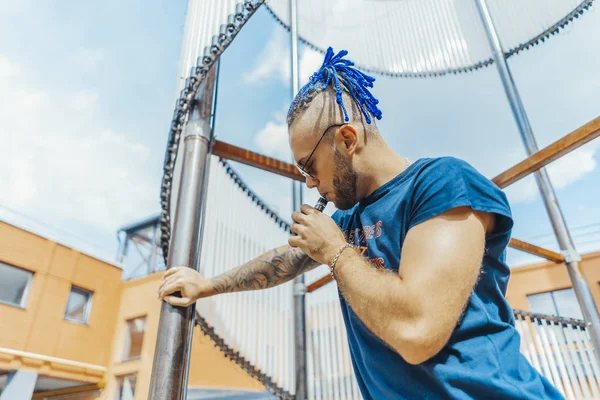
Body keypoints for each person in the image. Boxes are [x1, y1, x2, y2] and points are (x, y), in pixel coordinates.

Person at [158, 47, 563, 399]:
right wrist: (207, 285)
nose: (311, 183)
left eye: (309, 166)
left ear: (348, 140)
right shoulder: (349, 217)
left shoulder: (443, 182)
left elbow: (417, 330)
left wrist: (335, 251)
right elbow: (285, 260)